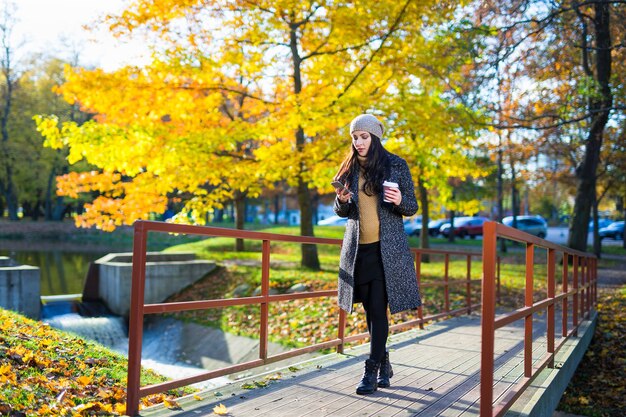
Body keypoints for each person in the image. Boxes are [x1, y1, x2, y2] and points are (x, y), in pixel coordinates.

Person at [333, 113, 422, 395]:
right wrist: (341, 201)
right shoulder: (348, 169)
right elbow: (342, 212)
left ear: (375, 137)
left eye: (363, 137)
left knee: (379, 310)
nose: (358, 142)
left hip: (388, 251)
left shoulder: (396, 165)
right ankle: (385, 363)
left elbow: (411, 206)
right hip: (358, 251)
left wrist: (399, 201)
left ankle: (370, 369)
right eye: (355, 137)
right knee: (370, 311)